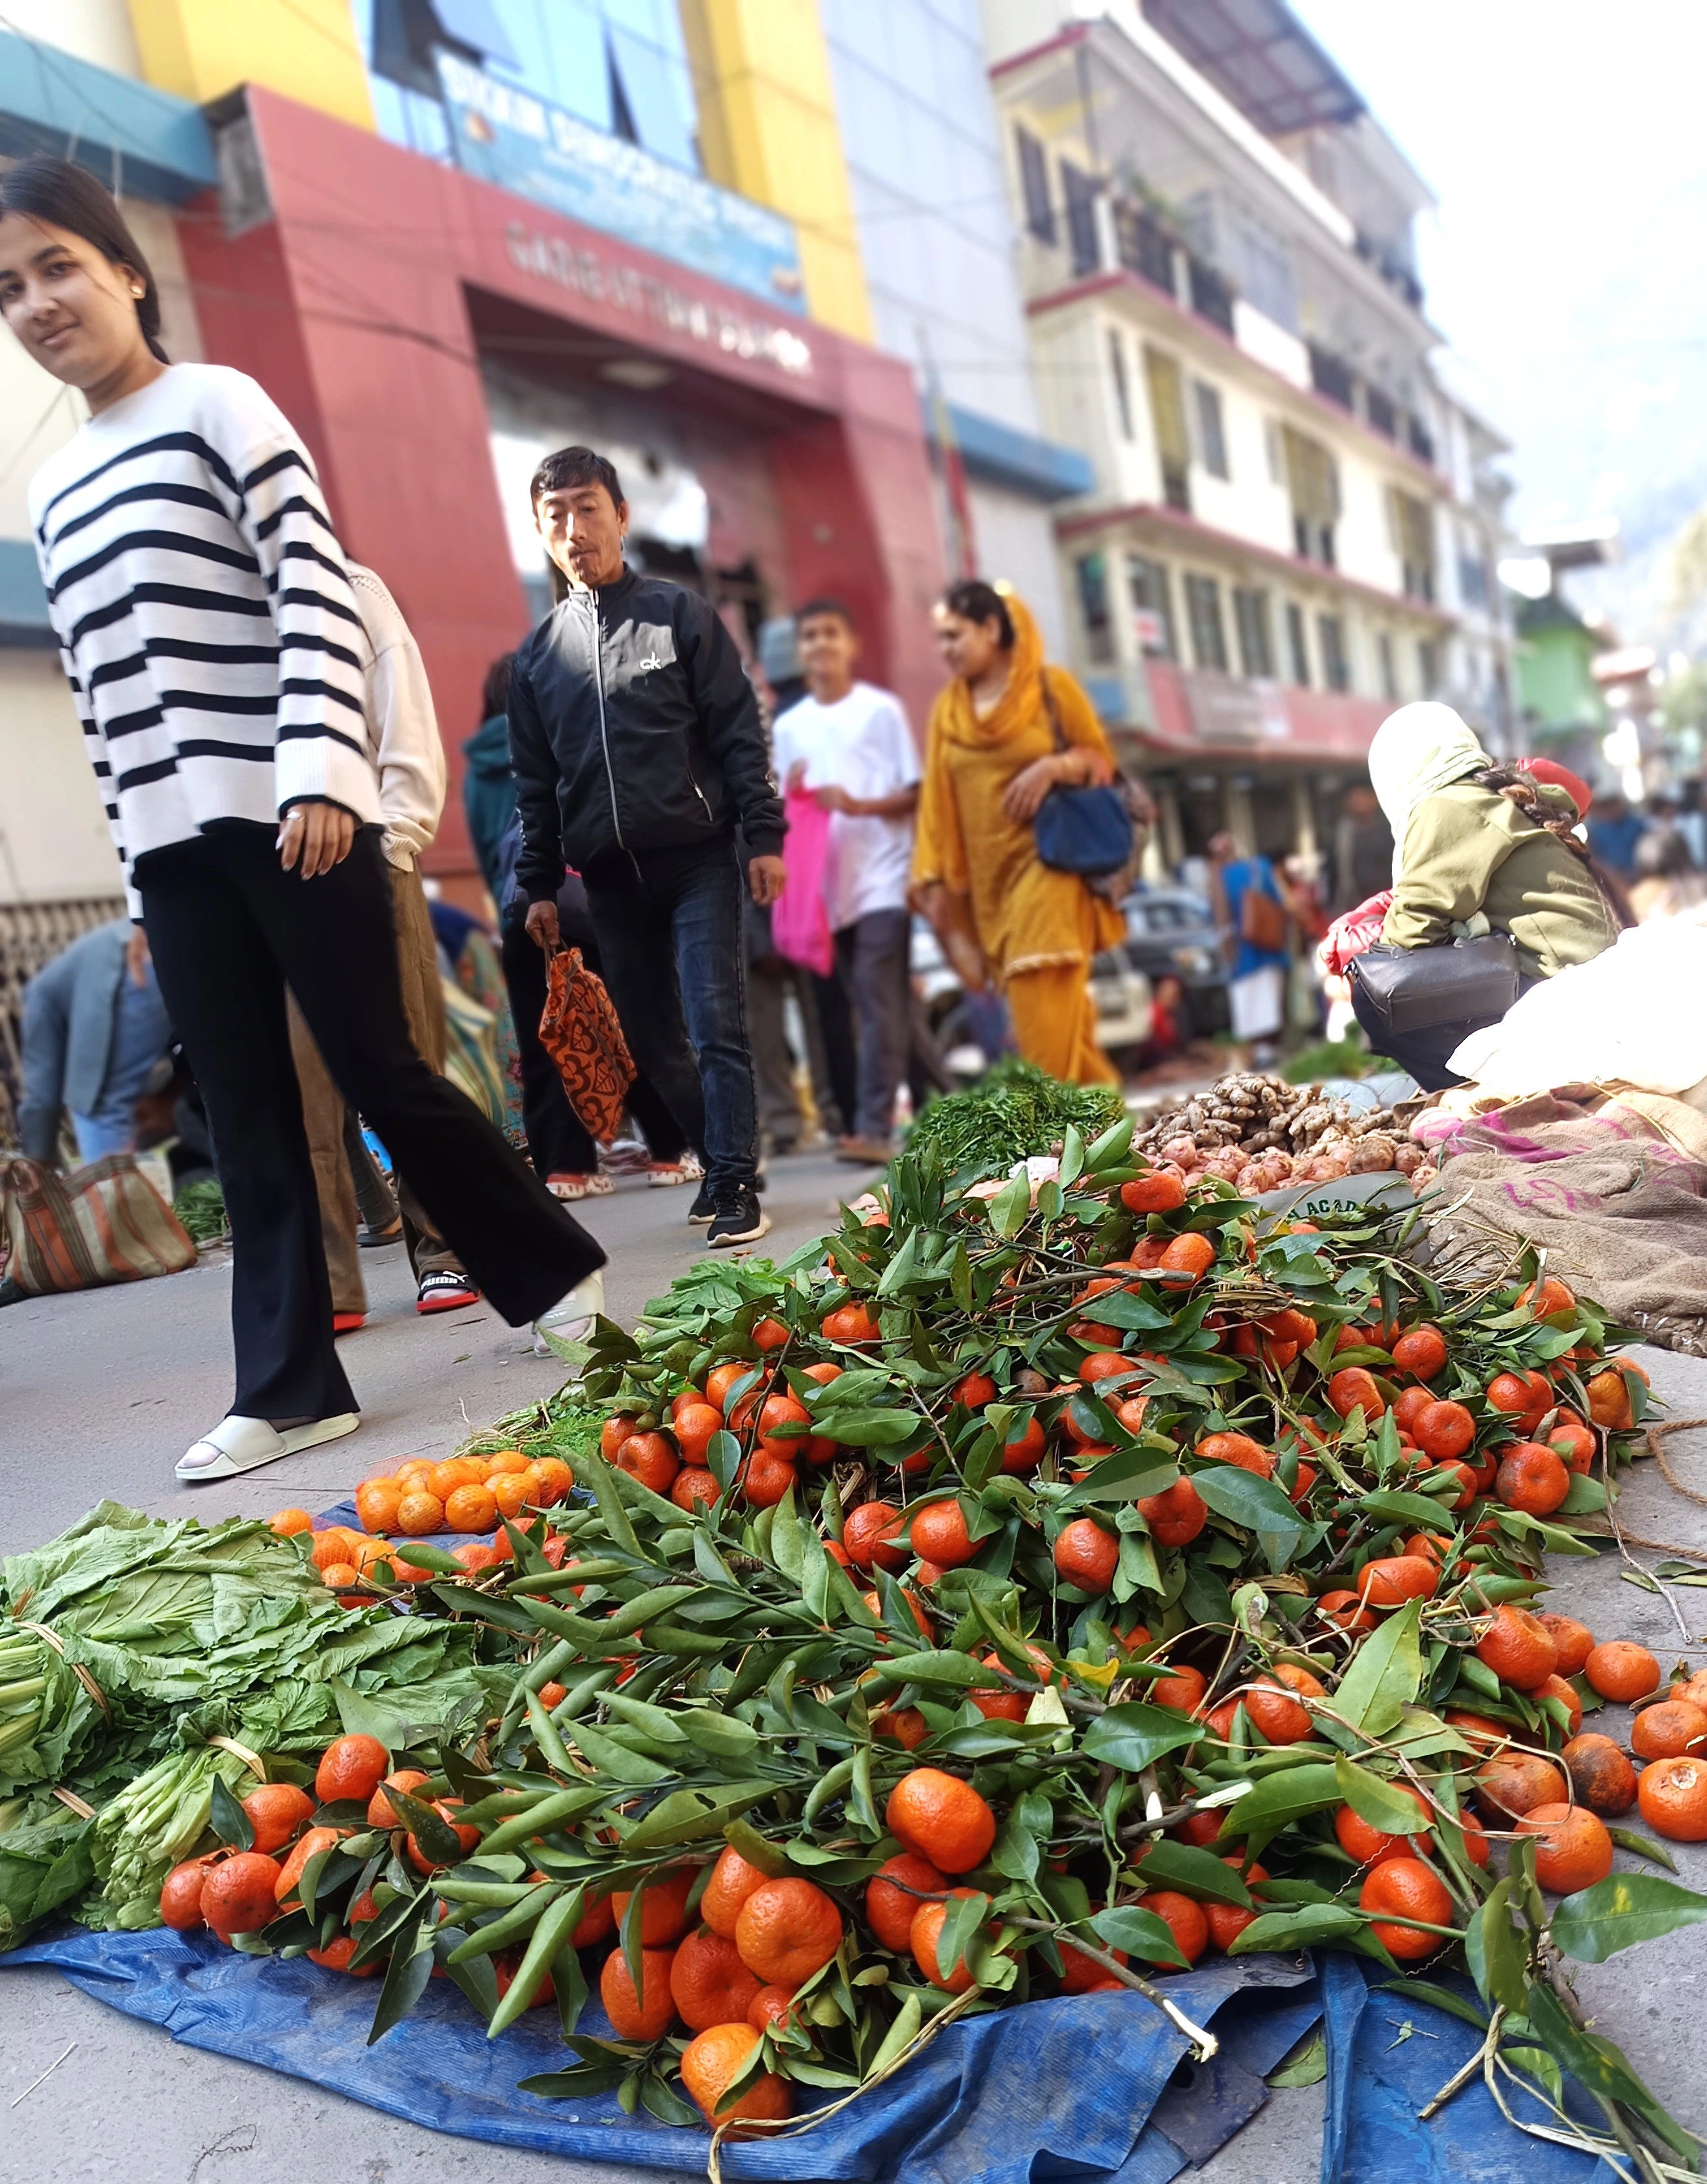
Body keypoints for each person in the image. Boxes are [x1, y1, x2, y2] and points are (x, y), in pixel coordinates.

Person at [2, 155, 603, 1481]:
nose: (38, 302)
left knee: (378, 1064)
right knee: (247, 1106)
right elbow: (107, 699)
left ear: (126, 272)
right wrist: (134, 883)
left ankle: (555, 1275)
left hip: (292, 813)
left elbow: (313, 590)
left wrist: (324, 770)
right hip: (173, 848)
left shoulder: (218, 402)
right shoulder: (52, 494)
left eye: (59, 267)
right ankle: (287, 1387)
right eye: (9, 287)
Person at [507, 445, 785, 1248]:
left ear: (621, 516)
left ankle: (733, 1180)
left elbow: (739, 733)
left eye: (588, 508)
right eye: (555, 515)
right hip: (605, 880)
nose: (574, 528)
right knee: (654, 1047)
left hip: (698, 859)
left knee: (714, 1023)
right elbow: (536, 788)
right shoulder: (537, 660)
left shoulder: (679, 615)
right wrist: (537, 889)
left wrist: (762, 835)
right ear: (539, 530)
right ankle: (724, 1156)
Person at [286, 562, 476, 1328]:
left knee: (403, 1063)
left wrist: (396, 842)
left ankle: (443, 1250)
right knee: (298, 1088)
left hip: (366, 852)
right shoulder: (209, 604)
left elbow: (404, 717)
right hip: (265, 873)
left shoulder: (349, 587)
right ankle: (331, 1281)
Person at [911, 580, 1123, 1085]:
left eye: (955, 635)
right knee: (1062, 1031)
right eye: (939, 638)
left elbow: (1101, 763)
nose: (946, 650)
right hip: (990, 892)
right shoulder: (948, 709)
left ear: (990, 628)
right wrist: (935, 882)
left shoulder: (1050, 688)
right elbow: (937, 803)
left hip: (1050, 868)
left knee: (1039, 1010)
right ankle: (1103, 1125)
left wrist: (1051, 768)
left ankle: (1048, 1140)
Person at [1357, 702, 1620, 1087]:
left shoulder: (1446, 807)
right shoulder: (1489, 795)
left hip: (1560, 992)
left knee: (1373, 993)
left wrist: (1363, 950)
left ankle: (1471, 1089)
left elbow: (1410, 934)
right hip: (1581, 980)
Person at [773, 598, 921, 1163]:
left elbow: (914, 791)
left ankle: (874, 1128)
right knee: (882, 1003)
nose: (820, 644)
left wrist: (856, 804)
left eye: (831, 633)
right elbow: (784, 810)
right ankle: (943, 1100)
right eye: (809, 635)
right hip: (826, 893)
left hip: (883, 877)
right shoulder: (789, 727)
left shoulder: (880, 711)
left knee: (877, 1005)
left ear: (851, 644)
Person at [18, 920, 172, 1166]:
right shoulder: (71, 975)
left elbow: (43, 1098)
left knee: (100, 1107)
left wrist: (37, 1165)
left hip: (137, 961)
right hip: (170, 937)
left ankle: (115, 1203)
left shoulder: (38, 1000)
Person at [1207, 832, 1291, 1058]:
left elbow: (1216, 918)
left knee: (1249, 1003)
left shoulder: (1218, 878)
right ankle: (1269, 1050)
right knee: (1270, 1000)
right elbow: (1279, 901)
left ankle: (1258, 1051)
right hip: (1267, 945)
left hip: (1240, 952)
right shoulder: (1259, 867)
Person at [461, 653, 517, 909]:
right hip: (573, 900)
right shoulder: (553, 745)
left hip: (513, 906)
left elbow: (485, 859)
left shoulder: (475, 773)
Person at [1330, 782, 1394, 914]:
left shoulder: (1390, 827)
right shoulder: (1344, 832)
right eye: (1353, 798)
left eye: (1362, 796)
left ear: (1374, 799)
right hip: (1356, 904)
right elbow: (1336, 872)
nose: (1358, 802)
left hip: (1390, 901)